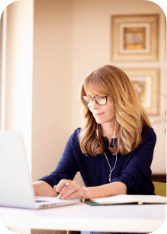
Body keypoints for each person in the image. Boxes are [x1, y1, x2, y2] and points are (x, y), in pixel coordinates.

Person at [33, 65, 156, 234]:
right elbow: (56, 179)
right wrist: (25, 189)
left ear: (120, 97)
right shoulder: (79, 138)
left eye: (101, 98)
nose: (93, 105)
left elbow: (127, 182)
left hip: (136, 220)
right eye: (89, 98)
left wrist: (83, 192)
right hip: (97, 221)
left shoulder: (145, 135)